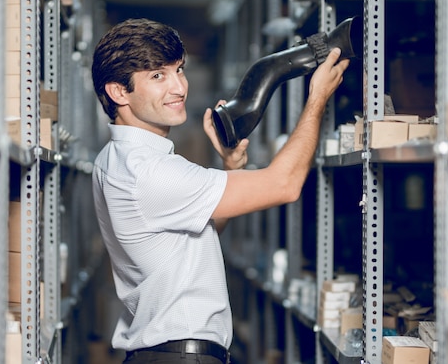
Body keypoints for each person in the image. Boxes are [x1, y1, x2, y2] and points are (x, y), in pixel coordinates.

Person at [91, 18, 350, 364]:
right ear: (118, 92)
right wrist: (317, 98)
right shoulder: (150, 172)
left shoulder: (113, 158)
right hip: (181, 356)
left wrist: (231, 169)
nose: (179, 87)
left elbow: (200, 233)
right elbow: (284, 185)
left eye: (178, 70)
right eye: (158, 76)